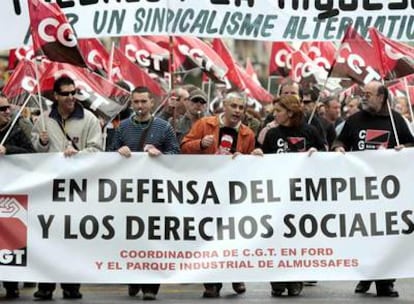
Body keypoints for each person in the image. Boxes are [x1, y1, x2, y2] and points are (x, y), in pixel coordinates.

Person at [333, 80, 414, 298]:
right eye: (363, 93)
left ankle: (386, 282)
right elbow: (339, 141)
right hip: (361, 192)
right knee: (366, 237)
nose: (364, 97)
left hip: (387, 193)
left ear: (382, 97)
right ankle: (367, 274)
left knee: (386, 237)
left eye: (368, 94)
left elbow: (411, 145)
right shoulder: (354, 120)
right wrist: (339, 148)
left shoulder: (396, 121)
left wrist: (403, 148)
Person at [181, 91, 260, 298]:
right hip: (207, 192)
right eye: (233, 106)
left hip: (233, 195)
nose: (237, 111)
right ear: (224, 106)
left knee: (233, 236)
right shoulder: (205, 124)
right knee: (209, 236)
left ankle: (236, 275)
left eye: (241, 108)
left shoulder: (248, 134)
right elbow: (183, 148)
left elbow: (251, 165)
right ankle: (211, 283)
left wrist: (250, 157)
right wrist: (199, 144)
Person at [31, 76, 103, 300]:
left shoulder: (89, 119)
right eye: (66, 93)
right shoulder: (43, 120)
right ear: (56, 96)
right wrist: (41, 142)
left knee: (72, 238)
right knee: (47, 237)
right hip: (49, 189)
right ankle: (45, 286)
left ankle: (72, 286)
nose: (71, 97)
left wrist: (78, 155)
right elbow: (34, 153)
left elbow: (97, 150)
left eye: (74, 92)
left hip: (77, 189)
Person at [110, 86, 179, 300]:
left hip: (156, 195)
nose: (140, 106)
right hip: (129, 195)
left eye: (143, 102)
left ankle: (151, 286)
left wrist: (162, 154)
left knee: (153, 238)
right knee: (132, 237)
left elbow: (176, 153)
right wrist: (117, 152)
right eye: (136, 102)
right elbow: (108, 154)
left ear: (151, 103)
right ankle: (133, 278)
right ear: (132, 104)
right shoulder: (122, 128)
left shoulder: (164, 127)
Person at [255, 95, 325, 297]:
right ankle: (277, 279)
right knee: (276, 237)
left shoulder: (310, 131)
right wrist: (258, 153)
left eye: (278, 111)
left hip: (302, 196)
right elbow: (263, 156)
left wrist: (317, 152)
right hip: (277, 196)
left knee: (297, 239)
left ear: (290, 112)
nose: (274, 114)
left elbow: (324, 150)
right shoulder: (272, 133)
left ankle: (295, 277)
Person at [0, 95, 35, 299]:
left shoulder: (16, 130)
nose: (7, 111)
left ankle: (11, 284)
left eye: (7, 108)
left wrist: (8, 150)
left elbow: (30, 154)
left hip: (10, 195)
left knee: (9, 241)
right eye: (2, 109)